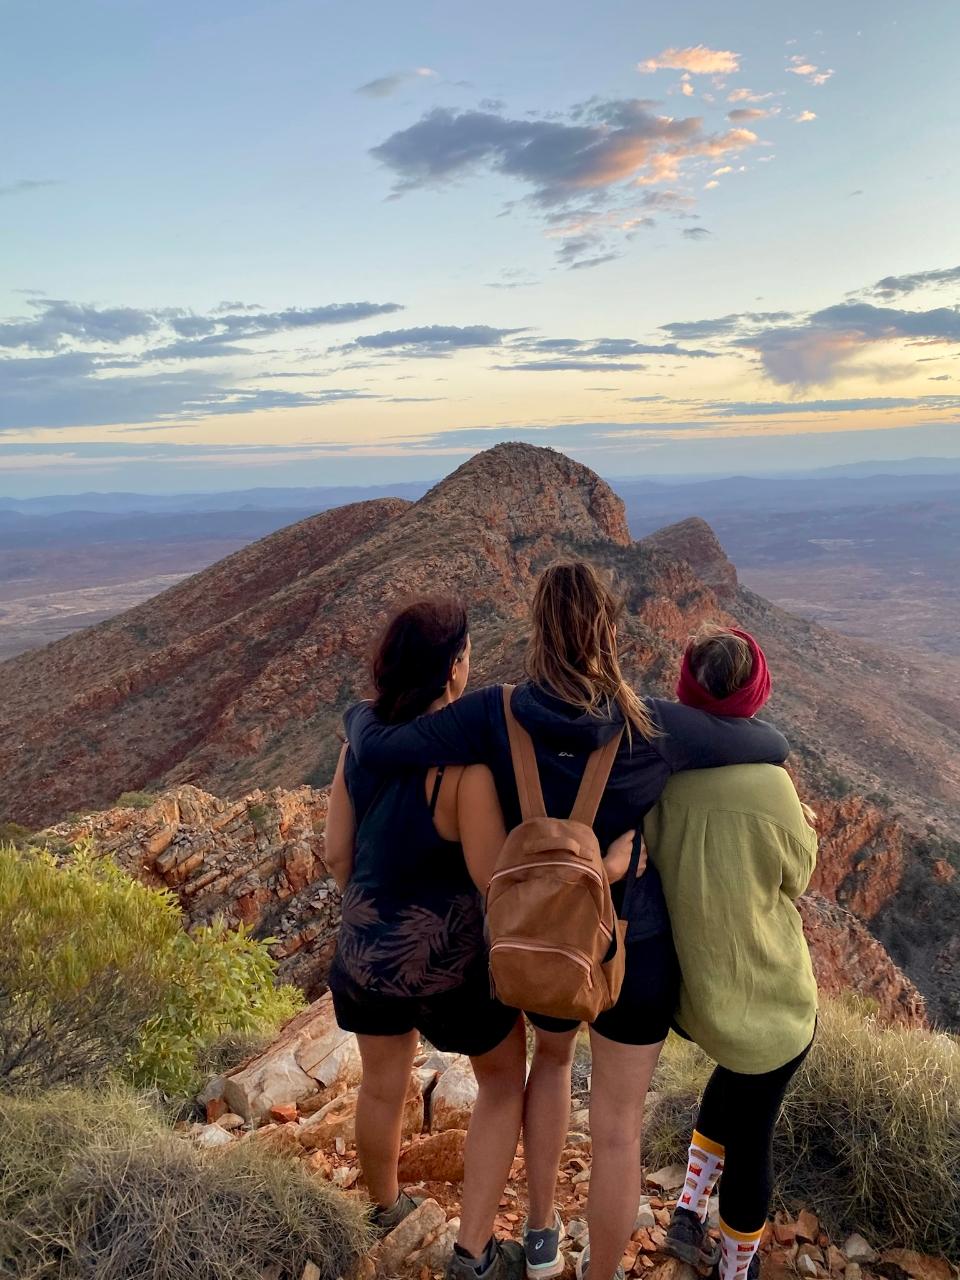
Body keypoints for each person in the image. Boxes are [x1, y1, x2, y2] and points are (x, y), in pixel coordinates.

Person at [343, 562, 792, 1280]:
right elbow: (767, 744)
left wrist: (352, 717)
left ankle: (540, 1229)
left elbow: (384, 745)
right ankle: (599, 1273)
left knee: (548, 1065)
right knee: (616, 1133)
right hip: (630, 950)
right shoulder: (655, 725)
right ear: (609, 631)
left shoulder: (494, 712)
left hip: (541, 942)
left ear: (536, 633)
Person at [324, 599, 529, 1280]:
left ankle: (382, 1208)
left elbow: (335, 856)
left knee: (382, 1086)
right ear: (452, 671)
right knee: (503, 1080)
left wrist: (375, 912)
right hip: (450, 969)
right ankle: (474, 1252)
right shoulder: (462, 774)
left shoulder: (358, 749)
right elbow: (491, 876)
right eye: (466, 653)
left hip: (365, 958)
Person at [645, 626, 819, 1280]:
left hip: (702, 1006)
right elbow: (797, 877)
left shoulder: (666, 782)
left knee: (735, 1076)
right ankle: (735, 1267)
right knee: (755, 1136)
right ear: (753, 690)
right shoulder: (771, 786)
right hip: (771, 1006)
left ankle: (689, 1205)